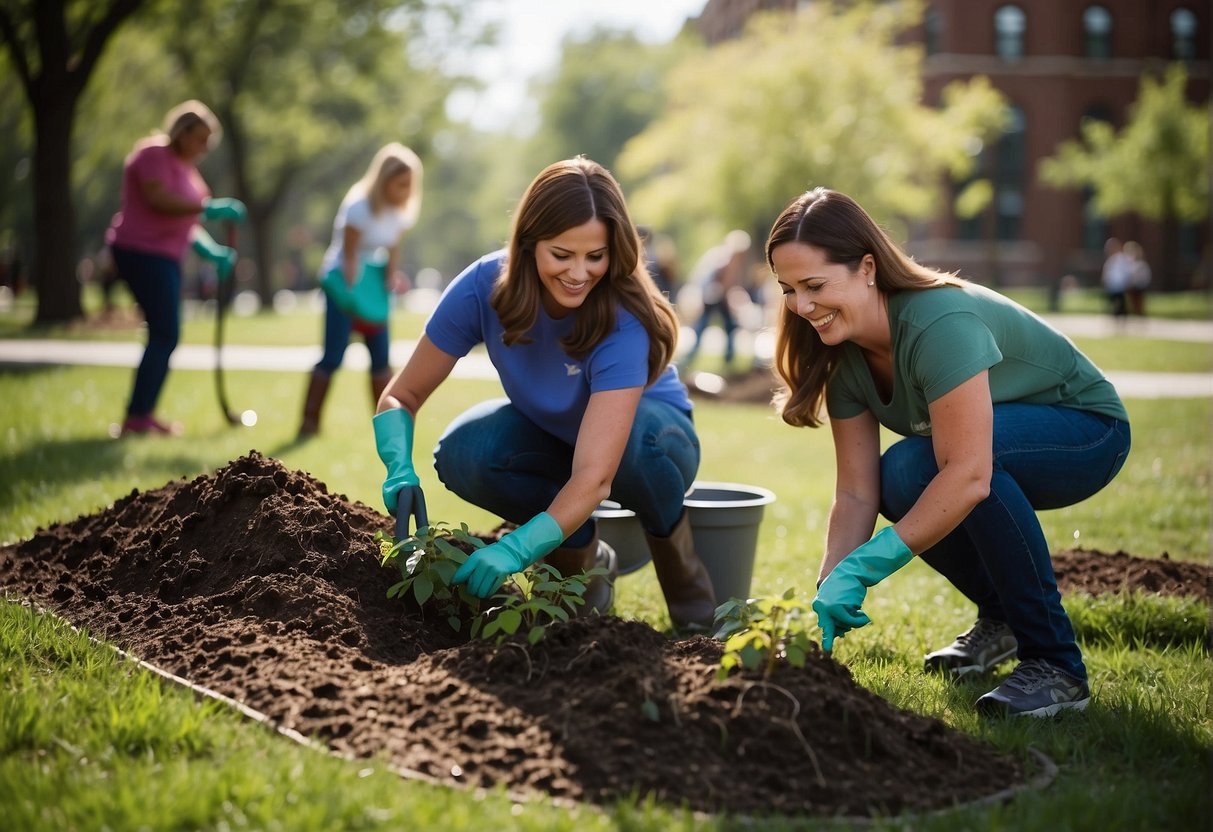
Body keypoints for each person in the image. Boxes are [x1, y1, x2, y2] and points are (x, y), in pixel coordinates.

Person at [766, 188, 1131, 718]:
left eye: (815, 286)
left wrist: (872, 563)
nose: (802, 307)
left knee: (948, 466)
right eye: (788, 290)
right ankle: (1001, 619)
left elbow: (969, 474)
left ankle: (1055, 664)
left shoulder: (937, 321)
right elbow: (856, 489)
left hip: (1086, 431)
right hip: (987, 449)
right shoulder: (844, 357)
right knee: (901, 472)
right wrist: (831, 582)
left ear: (867, 267)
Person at [373, 157, 716, 631]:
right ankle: (587, 571)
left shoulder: (621, 317)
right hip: (560, 438)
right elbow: (401, 394)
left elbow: (596, 476)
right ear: (529, 243)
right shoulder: (482, 287)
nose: (580, 273)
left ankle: (694, 605)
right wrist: (397, 468)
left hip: (656, 443)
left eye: (595, 256)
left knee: (638, 444)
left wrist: (515, 548)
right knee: (466, 452)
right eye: (562, 255)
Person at [106, 100, 246, 436]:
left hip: (166, 256)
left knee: (164, 333)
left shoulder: (193, 179)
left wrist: (213, 252)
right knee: (166, 331)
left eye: (208, 141)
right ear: (181, 132)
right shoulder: (152, 155)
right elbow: (159, 199)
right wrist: (209, 208)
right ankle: (138, 416)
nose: (204, 147)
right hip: (139, 250)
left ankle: (141, 414)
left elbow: (189, 224)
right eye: (199, 138)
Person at [298, 143, 424, 438]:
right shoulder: (359, 206)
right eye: (400, 184)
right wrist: (354, 299)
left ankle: (387, 429)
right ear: (384, 181)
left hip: (372, 287)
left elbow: (392, 251)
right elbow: (349, 255)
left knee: (381, 359)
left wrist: (388, 287)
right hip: (344, 284)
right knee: (333, 355)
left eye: (410, 185)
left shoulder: (399, 212)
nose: (406, 190)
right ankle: (309, 423)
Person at [681, 229, 751, 368]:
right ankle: (692, 356)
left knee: (725, 326)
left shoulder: (722, 255)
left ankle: (727, 357)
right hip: (712, 296)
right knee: (705, 325)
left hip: (716, 295)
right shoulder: (725, 259)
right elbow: (720, 282)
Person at [1100, 237, 1132, 321]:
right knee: (1112, 303)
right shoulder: (1110, 260)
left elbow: (1127, 272)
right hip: (1112, 286)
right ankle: (1115, 319)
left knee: (1121, 303)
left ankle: (1122, 320)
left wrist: (1127, 282)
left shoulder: (1123, 259)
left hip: (1120, 285)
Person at [1123, 240, 1150, 316]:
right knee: (1130, 304)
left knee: (1139, 304)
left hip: (1139, 286)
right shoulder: (1127, 263)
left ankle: (1140, 316)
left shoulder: (1141, 264)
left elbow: (1145, 276)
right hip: (1130, 286)